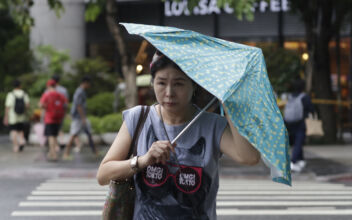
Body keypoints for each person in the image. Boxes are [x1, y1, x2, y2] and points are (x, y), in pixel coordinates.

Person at [96, 51, 260, 219]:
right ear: (152, 83)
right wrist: (143, 160)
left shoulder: (212, 125)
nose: (169, 92)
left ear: (194, 85)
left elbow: (249, 157)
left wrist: (229, 102)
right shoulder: (138, 118)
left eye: (179, 84)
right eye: (161, 83)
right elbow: (103, 175)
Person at [63, 76, 98, 160]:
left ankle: (95, 151)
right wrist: (83, 118)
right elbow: (78, 106)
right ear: (85, 83)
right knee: (74, 134)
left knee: (88, 133)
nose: (89, 86)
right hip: (78, 117)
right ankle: (66, 153)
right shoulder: (80, 92)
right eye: (89, 84)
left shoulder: (81, 91)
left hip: (80, 117)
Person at [283, 78, 314, 172]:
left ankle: (301, 160)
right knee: (299, 142)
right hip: (301, 122)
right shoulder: (304, 97)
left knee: (296, 141)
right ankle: (293, 161)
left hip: (289, 122)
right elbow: (311, 109)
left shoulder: (290, 96)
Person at [39, 79, 68, 161]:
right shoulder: (60, 95)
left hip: (49, 118)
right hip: (58, 119)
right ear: (55, 86)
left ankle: (54, 154)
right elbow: (65, 105)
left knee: (51, 136)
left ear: (48, 86)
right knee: (55, 135)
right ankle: (52, 152)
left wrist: (46, 107)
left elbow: (40, 105)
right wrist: (63, 114)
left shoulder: (47, 94)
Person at [3, 80, 30, 152]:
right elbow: (27, 105)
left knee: (13, 131)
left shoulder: (10, 94)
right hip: (21, 115)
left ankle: (16, 146)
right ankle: (21, 141)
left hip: (13, 116)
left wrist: (6, 117)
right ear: (20, 85)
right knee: (20, 130)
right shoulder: (24, 94)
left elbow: (7, 106)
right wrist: (25, 112)